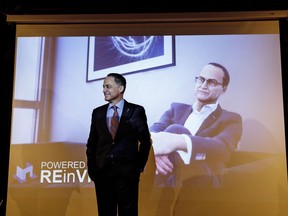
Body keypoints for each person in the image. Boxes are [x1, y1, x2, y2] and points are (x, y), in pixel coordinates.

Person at [150, 62, 243, 190]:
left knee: (176, 130)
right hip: (167, 173)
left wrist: (177, 141)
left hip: (202, 177)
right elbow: (151, 132)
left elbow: (222, 148)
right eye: (201, 79)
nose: (203, 85)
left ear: (223, 89)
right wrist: (157, 153)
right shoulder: (176, 109)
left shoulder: (231, 119)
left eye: (211, 82)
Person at [86, 73, 152, 216]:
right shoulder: (97, 113)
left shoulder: (136, 111)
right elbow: (92, 144)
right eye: (103, 87)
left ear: (120, 88)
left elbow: (146, 141)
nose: (104, 90)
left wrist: (137, 167)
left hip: (127, 175)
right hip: (102, 174)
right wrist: (93, 169)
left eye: (108, 86)